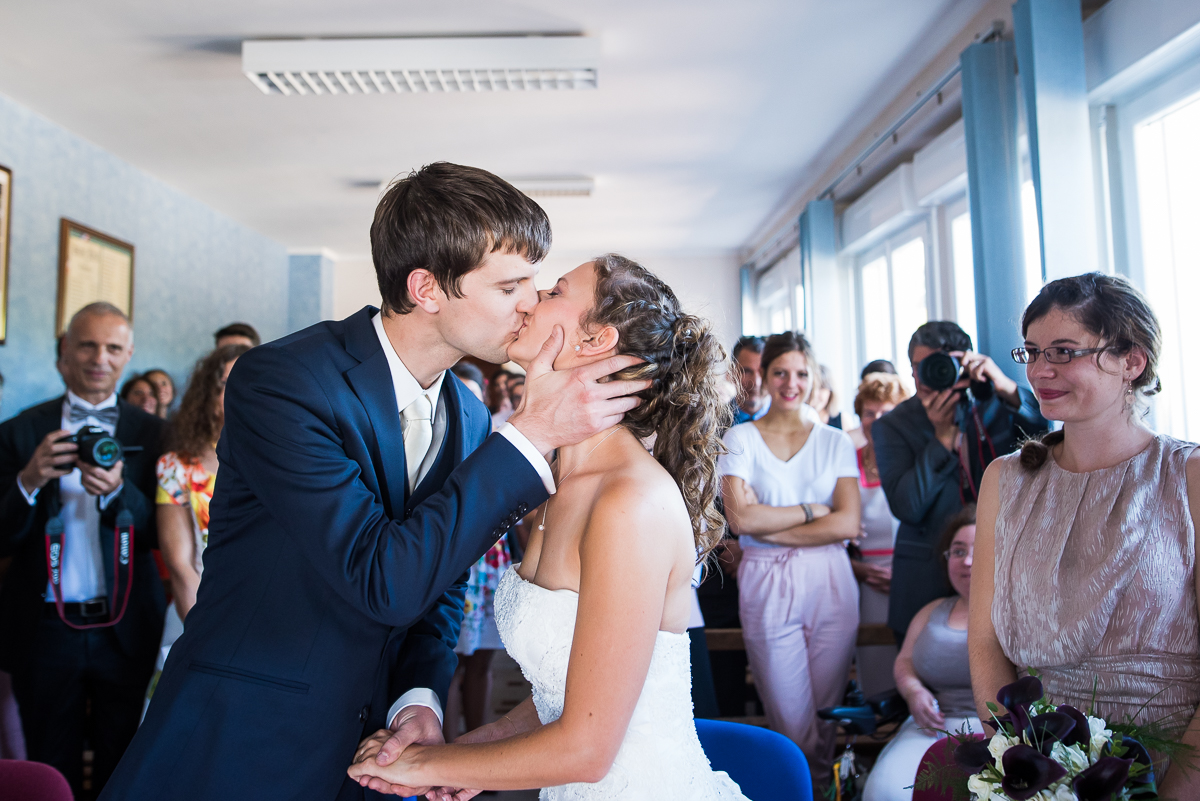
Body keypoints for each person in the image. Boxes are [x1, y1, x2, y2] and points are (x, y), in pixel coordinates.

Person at [101, 163, 647, 801]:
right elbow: (381, 577)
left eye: (535, 281)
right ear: (427, 288)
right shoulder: (284, 382)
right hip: (241, 739)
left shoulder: (469, 415)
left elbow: (441, 581)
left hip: (375, 754)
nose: (531, 301)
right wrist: (531, 437)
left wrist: (418, 697)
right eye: (511, 285)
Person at [349, 254, 747, 800]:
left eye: (556, 291)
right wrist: (461, 755)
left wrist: (426, 767)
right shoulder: (553, 488)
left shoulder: (629, 501)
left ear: (594, 341)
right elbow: (566, 691)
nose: (532, 301)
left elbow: (588, 748)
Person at [969, 273, 1200, 796]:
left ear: (1132, 362)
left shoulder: (1189, 477)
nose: (1039, 370)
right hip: (1040, 766)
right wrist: (1017, 761)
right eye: (1030, 351)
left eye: (1064, 351)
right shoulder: (1005, 480)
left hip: (1173, 765)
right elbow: (985, 642)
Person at [0, 302, 165, 798]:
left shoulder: (155, 434)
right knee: (52, 763)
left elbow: (162, 531)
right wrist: (28, 481)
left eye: (113, 347)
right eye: (87, 345)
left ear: (128, 354)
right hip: (45, 627)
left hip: (126, 623)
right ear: (64, 352)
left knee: (125, 758)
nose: (100, 358)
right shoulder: (20, 431)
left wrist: (119, 492)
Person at [719, 330, 862, 791]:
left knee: (824, 718)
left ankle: (817, 789)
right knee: (791, 721)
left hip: (831, 582)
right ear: (765, 375)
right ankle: (803, 789)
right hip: (765, 581)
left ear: (813, 377)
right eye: (780, 372)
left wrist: (771, 525)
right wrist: (809, 511)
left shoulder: (834, 441)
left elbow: (847, 524)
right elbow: (740, 520)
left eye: (802, 373)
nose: (791, 382)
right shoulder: (740, 438)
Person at [873, 321, 1047, 641]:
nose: (926, 376)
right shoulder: (892, 425)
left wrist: (1006, 386)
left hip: (1003, 566)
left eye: (940, 364)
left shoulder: (997, 406)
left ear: (963, 361)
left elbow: (1046, 437)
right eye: (918, 367)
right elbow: (908, 506)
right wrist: (940, 440)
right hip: (926, 576)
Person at [862, 506, 980, 801]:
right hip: (932, 726)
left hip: (997, 729)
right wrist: (913, 691)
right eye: (957, 551)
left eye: (978, 550)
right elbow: (904, 661)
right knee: (887, 788)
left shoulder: (1016, 613)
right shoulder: (931, 611)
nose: (966, 561)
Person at [851, 372, 910, 695]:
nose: (877, 421)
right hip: (866, 580)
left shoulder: (911, 461)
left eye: (886, 413)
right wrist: (857, 569)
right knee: (875, 671)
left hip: (911, 575)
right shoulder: (848, 462)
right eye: (869, 413)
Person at [730, 335, 768, 424]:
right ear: (732, 372)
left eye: (762, 372)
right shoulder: (713, 421)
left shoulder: (788, 420)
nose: (756, 382)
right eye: (746, 371)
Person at [809, 364, 842, 429]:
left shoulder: (843, 421)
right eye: (811, 388)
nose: (815, 394)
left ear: (830, 391)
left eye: (821, 387)